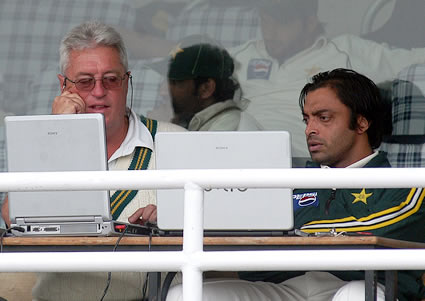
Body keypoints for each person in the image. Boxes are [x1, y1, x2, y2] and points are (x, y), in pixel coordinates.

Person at [166, 69, 425, 301]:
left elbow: (375, 233)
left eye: (323, 118)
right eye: (306, 119)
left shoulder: (406, 185)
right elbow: (240, 223)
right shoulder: (289, 181)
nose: (310, 129)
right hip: (288, 286)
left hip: (364, 285)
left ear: (361, 122)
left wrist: (297, 235)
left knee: (357, 294)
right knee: (185, 293)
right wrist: (177, 214)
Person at [1, 21, 184, 301]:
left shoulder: (174, 140)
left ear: (127, 81)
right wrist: (59, 131)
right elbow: (12, 217)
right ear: (64, 86)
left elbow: (215, 223)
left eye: (110, 79)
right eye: (85, 81)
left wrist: (172, 217)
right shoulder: (47, 144)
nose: (99, 92)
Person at [229, 0, 425, 161]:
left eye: (281, 23)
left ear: (310, 22)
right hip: (237, 151)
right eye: (265, 21)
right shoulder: (237, 57)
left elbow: (414, 59)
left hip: (298, 159)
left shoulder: (346, 51)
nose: (269, 32)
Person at [149, 40, 263, 131]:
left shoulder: (228, 129)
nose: (162, 91)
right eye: (164, 80)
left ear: (206, 89)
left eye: (175, 82)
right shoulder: (204, 123)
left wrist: (162, 129)